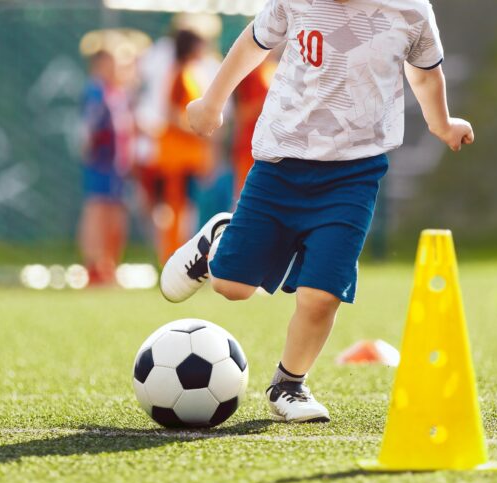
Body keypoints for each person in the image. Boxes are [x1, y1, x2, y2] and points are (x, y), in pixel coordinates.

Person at [158, 0, 473, 423]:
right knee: (232, 286)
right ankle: (219, 239)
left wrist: (442, 123)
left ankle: (289, 384)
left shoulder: (410, 9)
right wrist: (214, 100)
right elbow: (254, 41)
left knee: (322, 294)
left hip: (354, 175)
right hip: (280, 165)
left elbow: (424, 69)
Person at [141, 30, 213, 266]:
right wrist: (197, 128)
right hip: (176, 156)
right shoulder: (180, 74)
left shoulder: (190, 73)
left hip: (187, 156)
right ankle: (171, 259)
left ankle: (178, 257)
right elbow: (171, 113)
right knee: (175, 210)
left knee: (185, 210)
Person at [79, 50, 133, 286]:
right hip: (101, 163)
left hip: (118, 166)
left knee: (115, 216)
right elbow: (87, 129)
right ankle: (93, 267)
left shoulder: (118, 93)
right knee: (97, 211)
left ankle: (109, 266)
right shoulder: (95, 90)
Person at [231, 59, 277, 201]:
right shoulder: (249, 72)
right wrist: (268, 103)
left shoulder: (274, 69)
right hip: (249, 146)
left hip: (272, 147)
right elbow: (240, 112)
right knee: (248, 198)